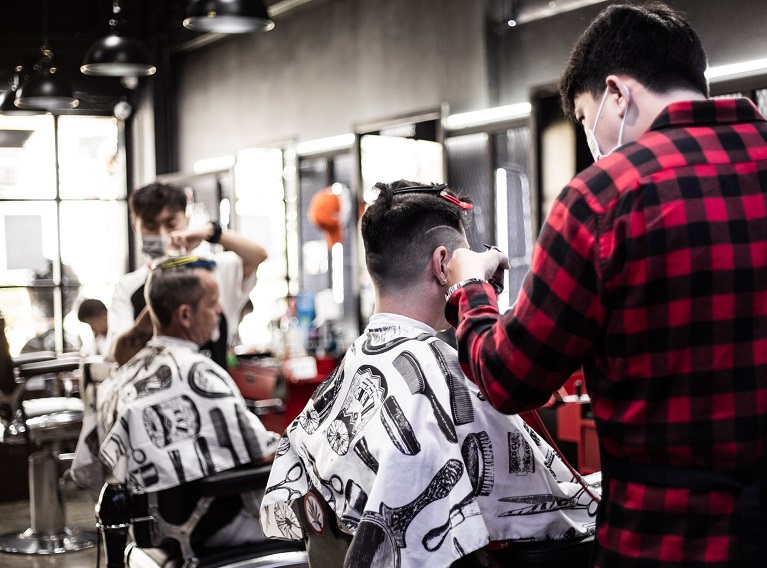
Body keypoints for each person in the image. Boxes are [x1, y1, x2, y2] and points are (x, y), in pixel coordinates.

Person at [444, 3, 767, 567]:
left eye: (587, 121)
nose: (593, 142)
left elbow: (511, 378)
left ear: (617, 94)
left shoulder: (601, 200)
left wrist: (472, 293)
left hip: (667, 543)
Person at [260, 181, 600, 568]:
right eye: (464, 258)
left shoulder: (358, 360)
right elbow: (551, 514)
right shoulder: (440, 370)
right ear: (443, 266)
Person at [71, 255, 279, 547]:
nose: (219, 310)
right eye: (212, 303)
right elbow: (261, 453)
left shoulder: (122, 376)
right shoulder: (200, 373)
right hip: (207, 526)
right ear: (184, 315)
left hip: (149, 529)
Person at [107, 182, 267, 368]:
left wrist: (211, 232)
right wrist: (160, 298)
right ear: (135, 226)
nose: (162, 234)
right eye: (150, 226)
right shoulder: (128, 287)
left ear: (187, 220)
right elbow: (119, 354)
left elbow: (258, 255)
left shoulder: (212, 270)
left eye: (171, 223)